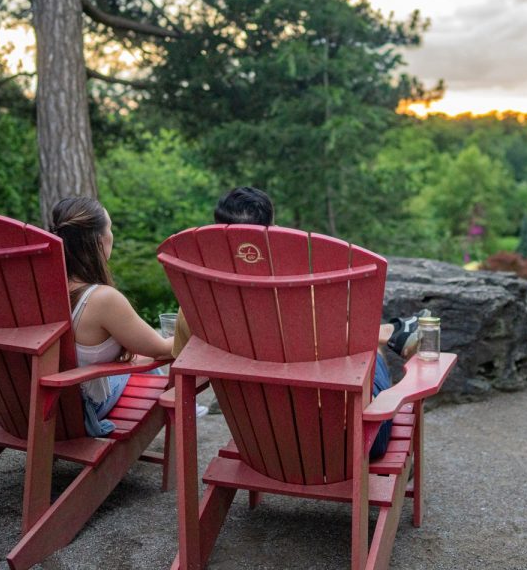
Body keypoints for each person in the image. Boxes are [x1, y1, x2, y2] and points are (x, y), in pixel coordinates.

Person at [171, 186, 420, 458]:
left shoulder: (195, 304)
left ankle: (390, 331)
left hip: (260, 444)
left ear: (217, 235)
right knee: (369, 352)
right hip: (350, 443)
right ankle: (392, 333)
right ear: (273, 231)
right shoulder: (304, 299)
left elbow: (183, 370)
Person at [50, 196, 174, 437]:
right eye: (110, 228)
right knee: (141, 356)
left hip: (36, 405)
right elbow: (160, 349)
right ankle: (179, 409)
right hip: (81, 412)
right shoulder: (102, 299)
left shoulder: (43, 287)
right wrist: (191, 328)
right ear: (99, 240)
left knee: (135, 352)